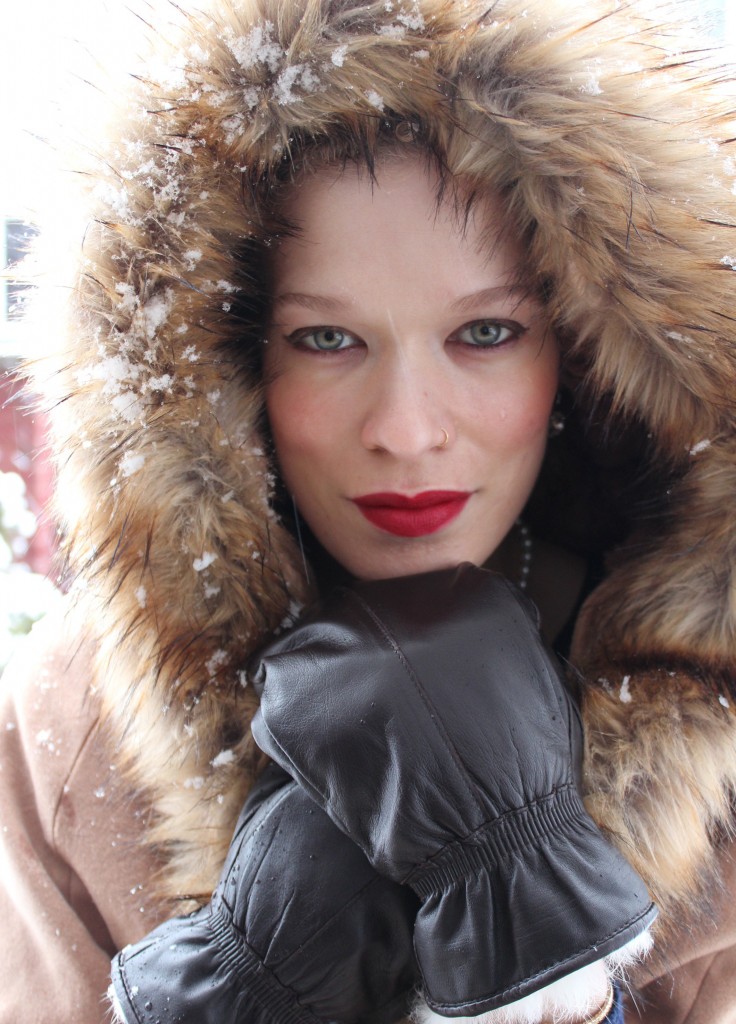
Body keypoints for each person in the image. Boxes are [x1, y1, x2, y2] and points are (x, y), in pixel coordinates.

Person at [0, 0, 735, 1021]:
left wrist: (553, 985)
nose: (405, 428)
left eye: (485, 332)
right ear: (228, 364)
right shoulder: (66, 730)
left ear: (577, 354)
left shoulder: (719, 733)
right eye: (326, 340)